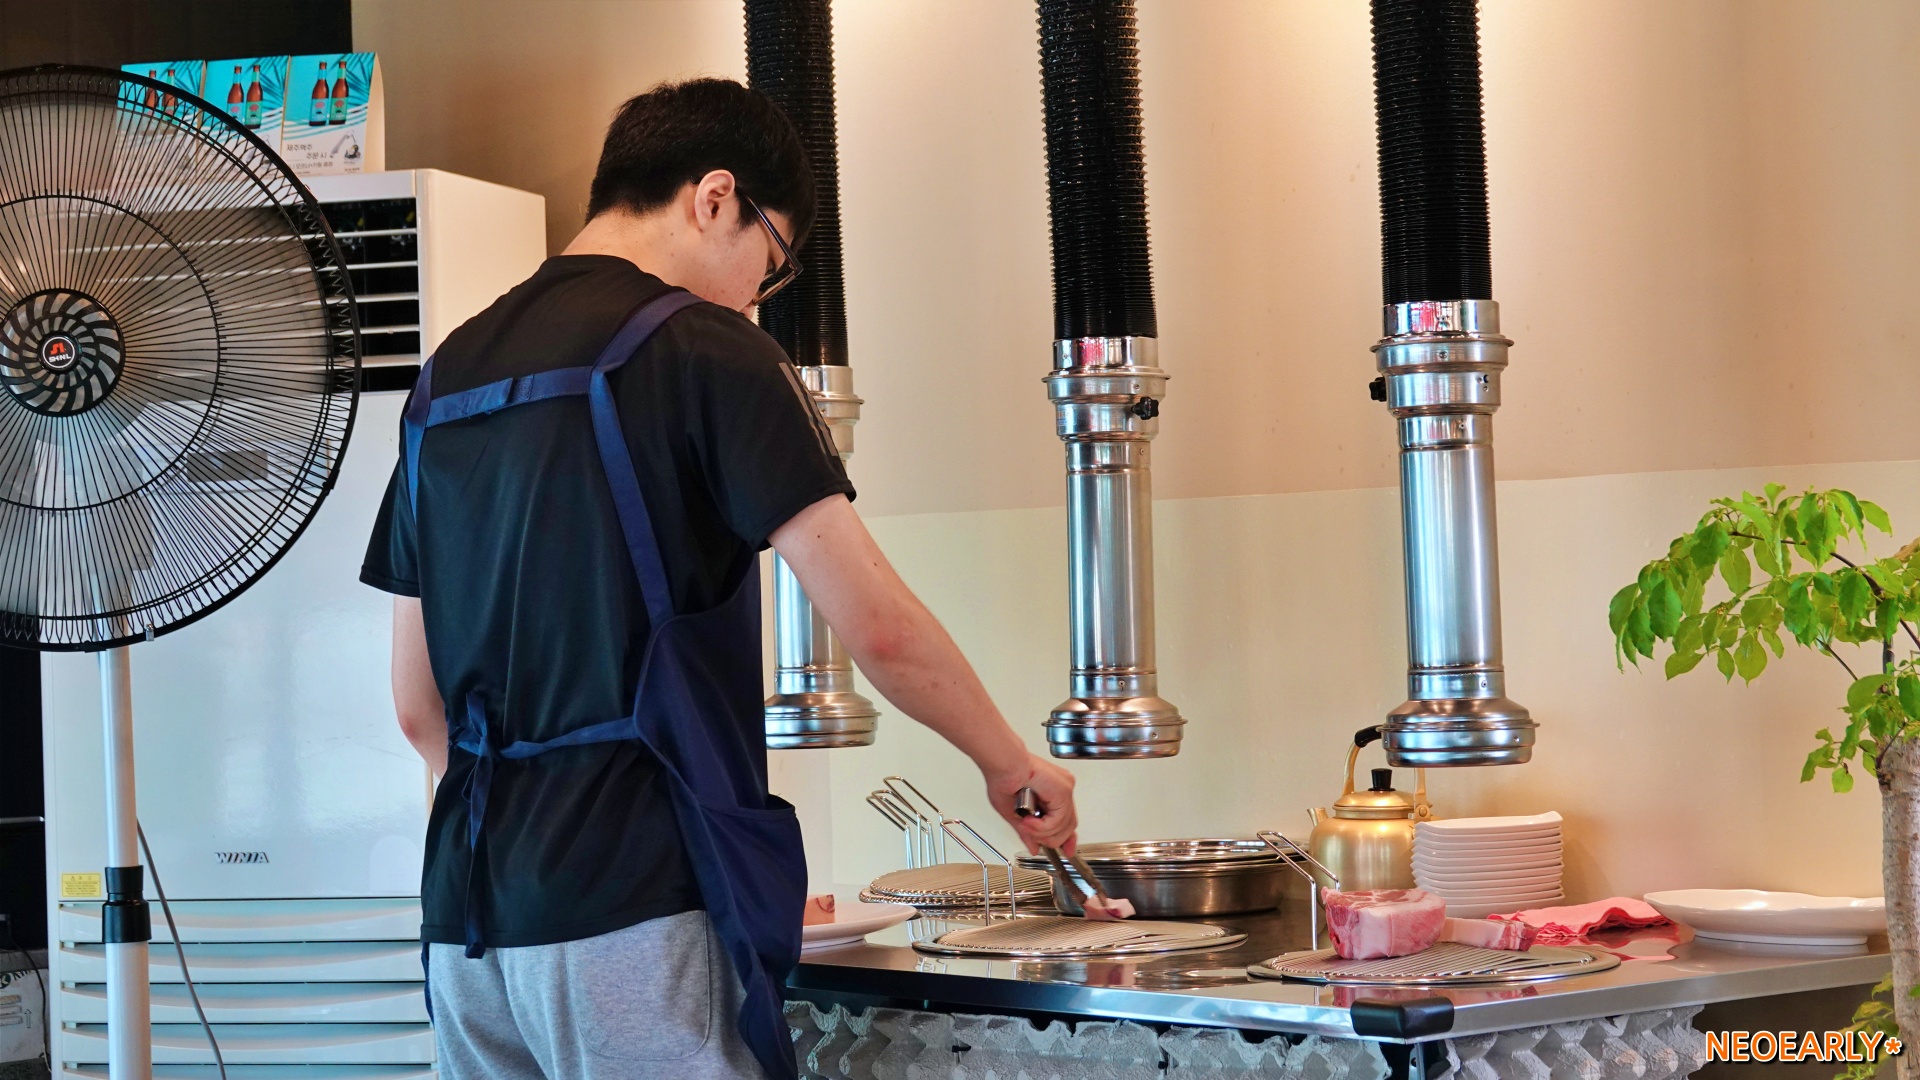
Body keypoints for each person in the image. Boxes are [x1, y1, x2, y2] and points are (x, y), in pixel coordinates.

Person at [359, 77, 1079, 1080]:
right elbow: (877, 627)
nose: (753, 297)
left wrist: (522, 860)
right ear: (714, 197)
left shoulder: (446, 375)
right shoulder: (705, 349)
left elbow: (417, 707)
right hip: (632, 908)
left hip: (467, 929)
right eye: (768, 263)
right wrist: (1010, 765)